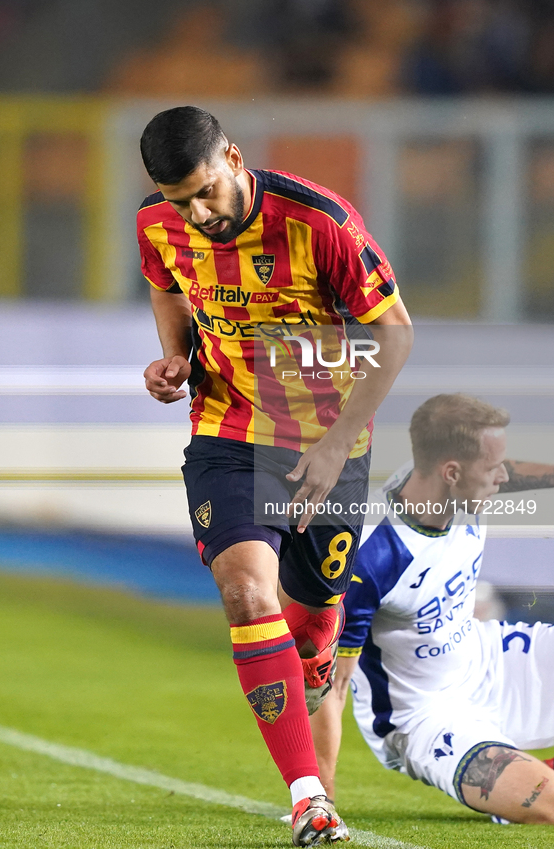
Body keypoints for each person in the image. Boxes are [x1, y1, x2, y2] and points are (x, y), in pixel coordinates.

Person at [137, 106, 413, 845]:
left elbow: (393, 333)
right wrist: (176, 356)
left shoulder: (318, 222)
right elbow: (167, 284)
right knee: (244, 589)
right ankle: (307, 798)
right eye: (176, 199)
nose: (195, 214)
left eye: (204, 193)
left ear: (232, 157)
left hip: (326, 445)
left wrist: (335, 445)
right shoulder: (157, 224)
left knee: (312, 633)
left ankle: (320, 669)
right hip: (225, 431)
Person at [310, 394, 554, 825]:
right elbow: (332, 686)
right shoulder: (372, 561)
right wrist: (319, 795)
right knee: (547, 800)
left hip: (490, 659)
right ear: (452, 472)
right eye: (493, 467)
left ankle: (515, 779)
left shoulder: (454, 486)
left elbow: (511, 472)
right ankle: (516, 781)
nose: (503, 476)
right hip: (422, 718)